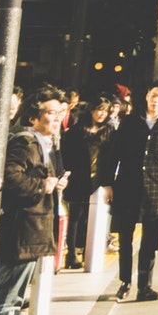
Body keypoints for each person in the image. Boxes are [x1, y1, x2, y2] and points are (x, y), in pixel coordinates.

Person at [0, 93, 65, 315]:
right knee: (6, 299)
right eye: (50, 112)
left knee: (14, 298)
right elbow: (11, 176)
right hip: (22, 229)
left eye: (59, 113)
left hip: (31, 228)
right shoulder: (25, 142)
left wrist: (53, 183)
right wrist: (42, 186)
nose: (56, 118)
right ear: (33, 117)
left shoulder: (42, 143)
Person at [103, 86, 158, 303]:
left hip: (155, 187)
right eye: (153, 96)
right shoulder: (130, 121)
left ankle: (145, 286)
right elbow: (114, 152)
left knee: (149, 241)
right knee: (125, 237)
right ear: (146, 97)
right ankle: (125, 281)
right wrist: (108, 183)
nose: (156, 100)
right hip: (127, 184)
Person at [60, 101, 102, 271]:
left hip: (96, 179)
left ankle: (88, 251)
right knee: (76, 216)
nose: (102, 114)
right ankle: (71, 253)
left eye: (104, 111)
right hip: (78, 179)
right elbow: (68, 155)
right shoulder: (77, 132)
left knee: (89, 217)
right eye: (99, 109)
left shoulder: (107, 131)